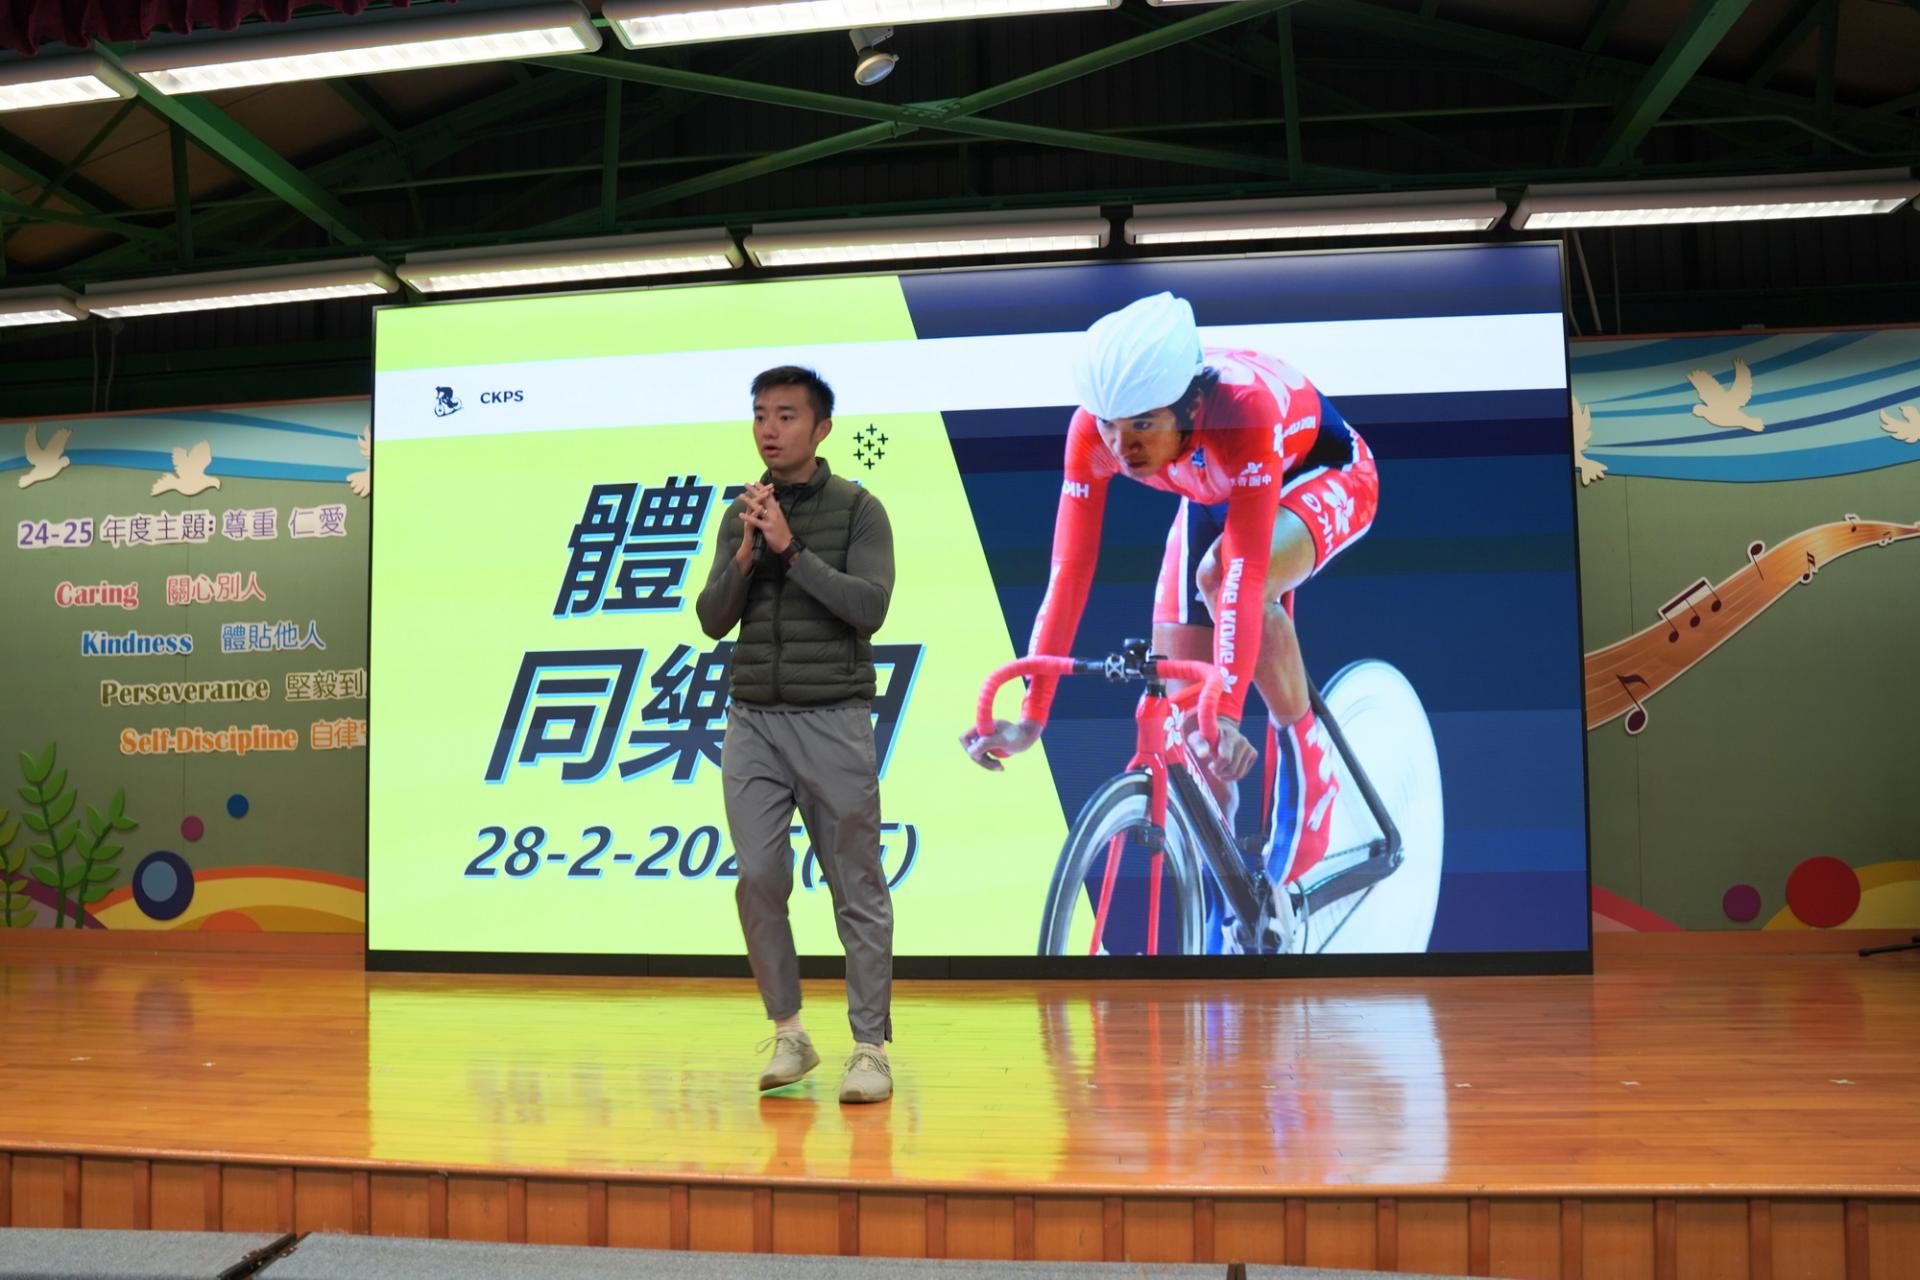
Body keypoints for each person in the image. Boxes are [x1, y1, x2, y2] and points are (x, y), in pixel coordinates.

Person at [960, 293, 1379, 949]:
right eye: (1109, 426)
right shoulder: (1092, 433)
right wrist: (1032, 715)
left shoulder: (1242, 411)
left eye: (1141, 426)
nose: (1121, 446)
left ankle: (1310, 767)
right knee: (1188, 721)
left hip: (1322, 473)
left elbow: (1241, 576)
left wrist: (1230, 711)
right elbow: (1068, 574)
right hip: (1220, 492)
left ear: (1188, 405)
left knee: (1222, 583)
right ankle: (1236, 896)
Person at [696, 366, 897, 1102]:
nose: (769, 430)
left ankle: (869, 1048)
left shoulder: (859, 509)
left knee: (856, 884)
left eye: (785, 416)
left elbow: (869, 607)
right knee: (758, 877)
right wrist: (747, 555)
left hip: (833, 717)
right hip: (753, 718)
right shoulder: (742, 512)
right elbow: (712, 618)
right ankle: (790, 1033)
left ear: (821, 428)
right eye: (760, 416)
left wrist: (790, 551)